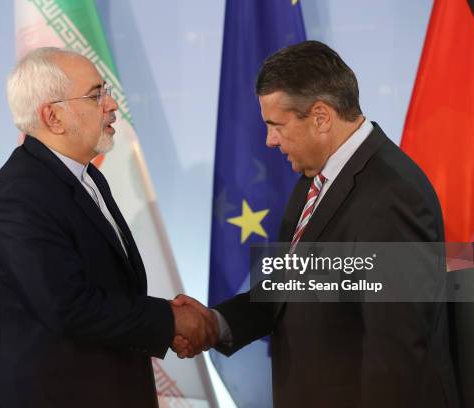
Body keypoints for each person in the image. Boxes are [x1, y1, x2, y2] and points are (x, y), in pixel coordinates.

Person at [172, 41, 458, 407]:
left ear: (321, 117)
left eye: (276, 125)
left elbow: (396, 351)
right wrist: (216, 322)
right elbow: (292, 288)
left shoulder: (391, 195)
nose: (270, 140)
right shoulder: (315, 180)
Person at [0, 47, 217, 408]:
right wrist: (169, 320)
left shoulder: (86, 178)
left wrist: (167, 317)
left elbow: (105, 288)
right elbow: (69, 307)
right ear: (53, 116)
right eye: (96, 95)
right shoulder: (21, 196)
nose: (112, 104)